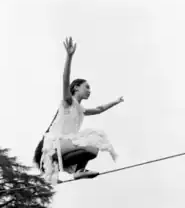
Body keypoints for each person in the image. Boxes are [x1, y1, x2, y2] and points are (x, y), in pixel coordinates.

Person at [34, 37, 124, 184]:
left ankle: (77, 171)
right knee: (93, 144)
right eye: (86, 87)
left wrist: (115, 101)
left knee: (92, 145)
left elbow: (99, 109)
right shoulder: (68, 102)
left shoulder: (80, 109)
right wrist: (69, 57)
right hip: (56, 144)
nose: (89, 91)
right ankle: (61, 163)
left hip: (65, 146)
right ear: (76, 87)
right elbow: (65, 79)